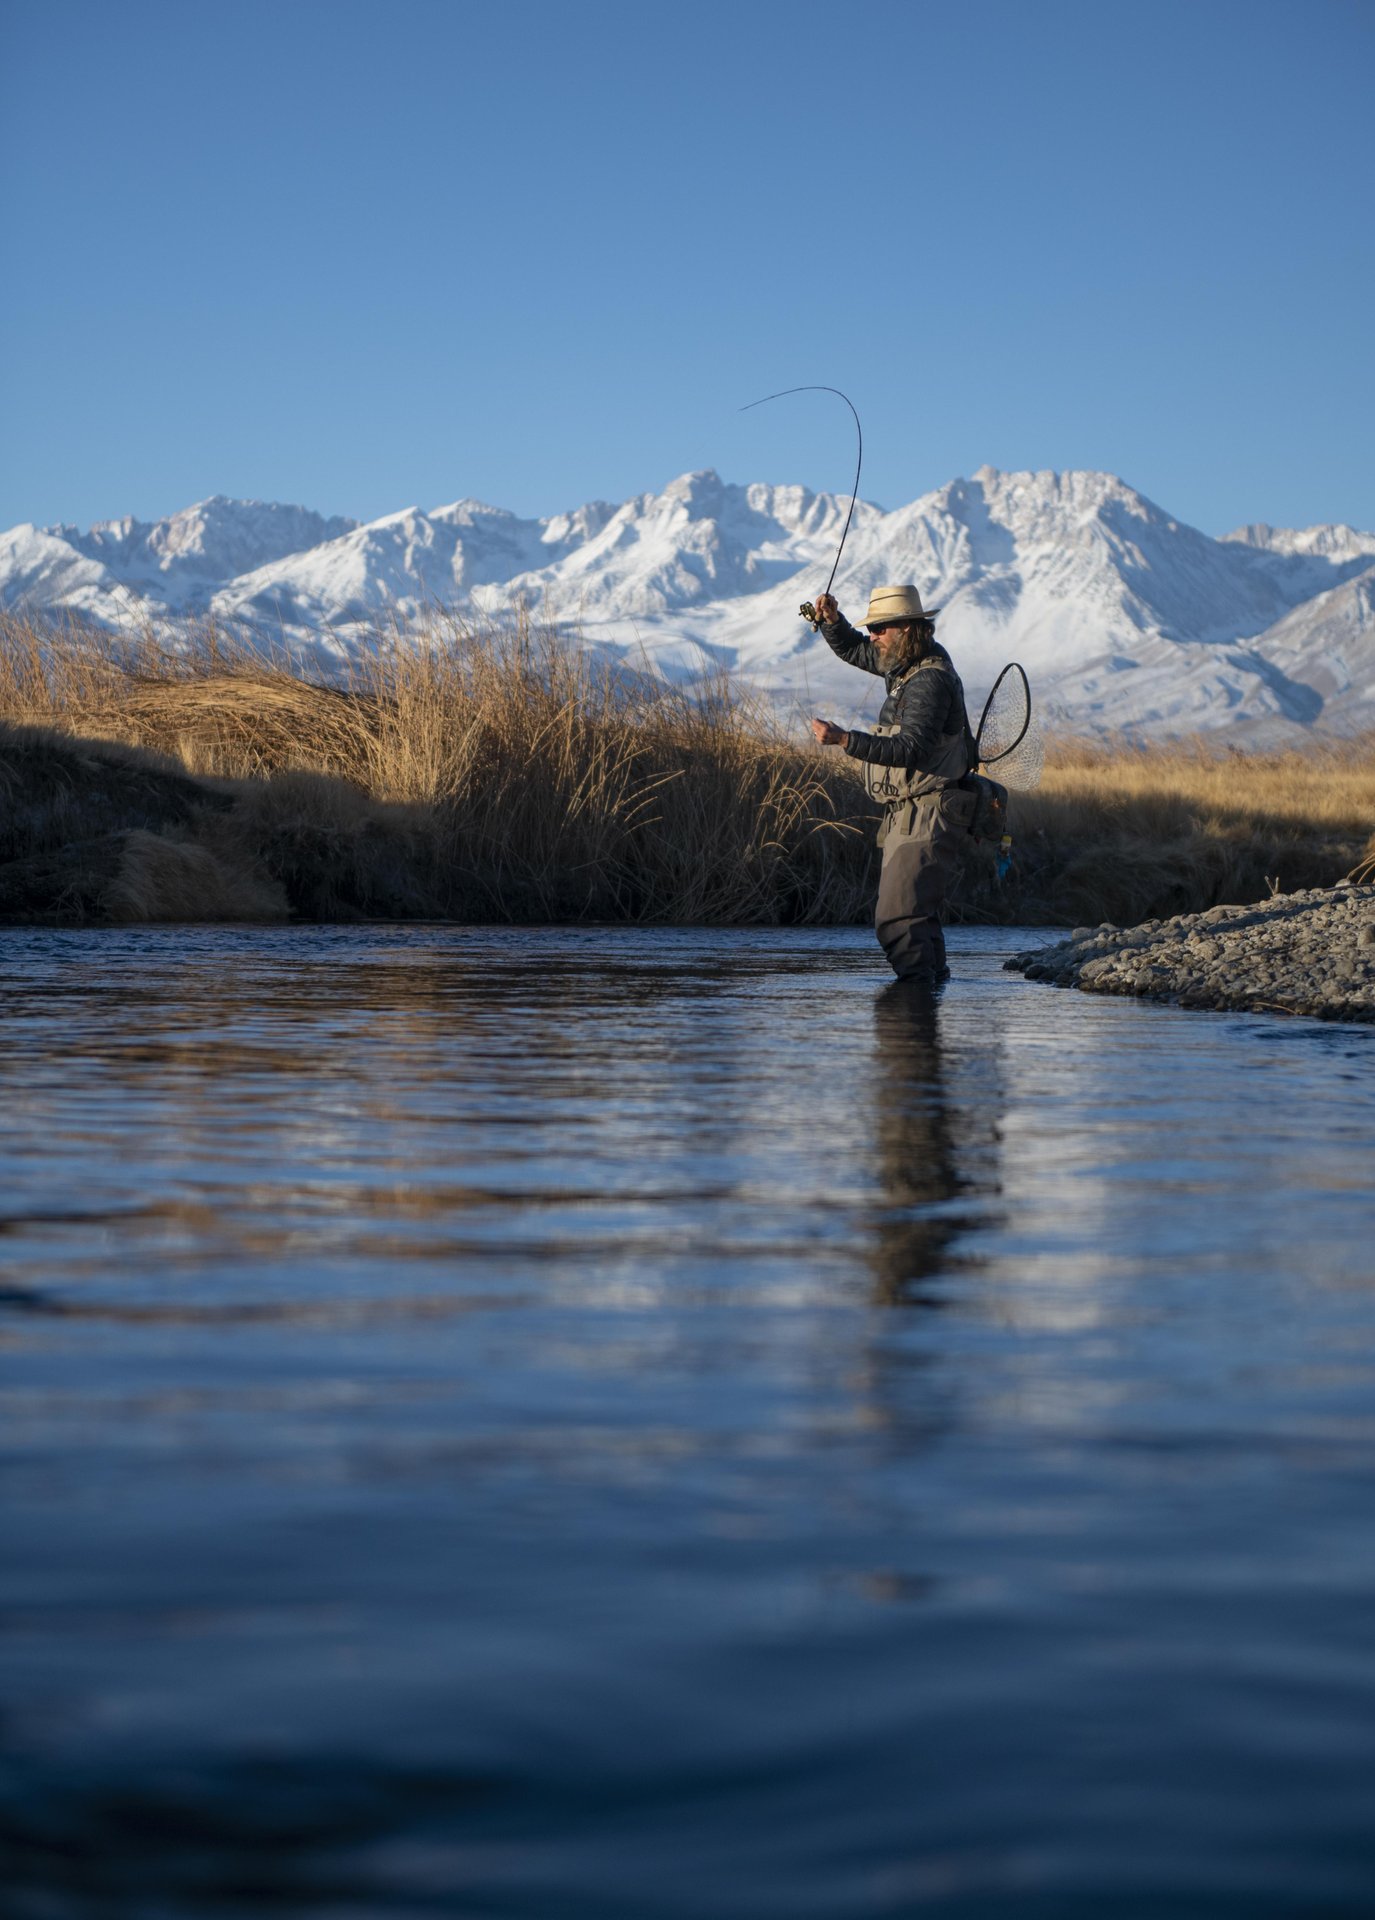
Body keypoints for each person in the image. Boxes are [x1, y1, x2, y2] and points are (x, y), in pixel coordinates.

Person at [810, 584, 976, 985]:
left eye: (880, 627)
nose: (873, 636)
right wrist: (833, 622)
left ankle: (914, 1022)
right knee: (918, 919)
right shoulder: (905, 662)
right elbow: (855, 649)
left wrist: (844, 740)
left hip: (929, 811)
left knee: (897, 921)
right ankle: (927, 1013)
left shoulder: (927, 681)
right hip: (915, 812)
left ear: (906, 628)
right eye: (873, 627)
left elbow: (910, 749)